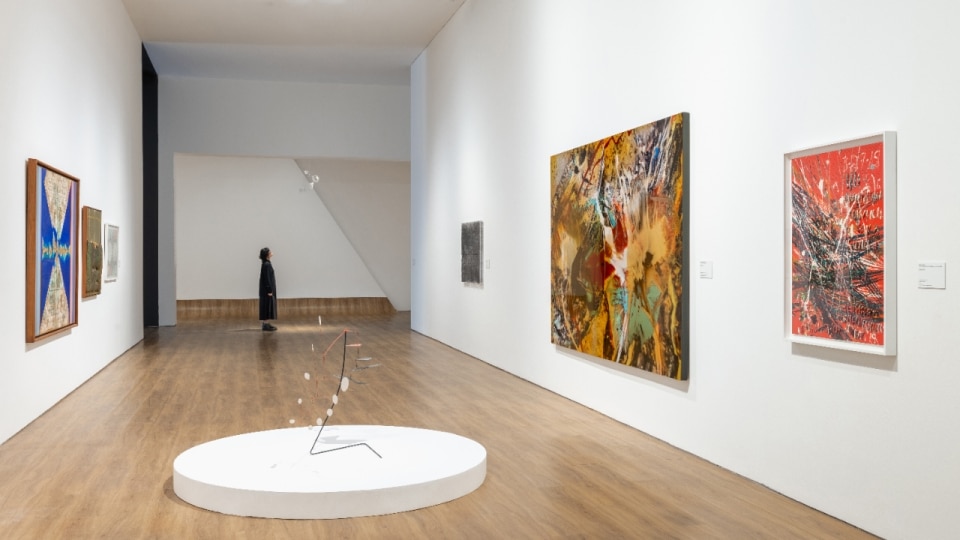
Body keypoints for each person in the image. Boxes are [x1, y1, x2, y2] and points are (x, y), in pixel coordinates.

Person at [259, 247, 277, 331]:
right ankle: (265, 325)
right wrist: (269, 290)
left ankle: (266, 323)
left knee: (267, 305)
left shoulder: (266, 263)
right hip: (266, 290)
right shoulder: (266, 264)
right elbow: (267, 278)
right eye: (270, 252)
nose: (271, 252)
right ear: (267, 255)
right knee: (266, 306)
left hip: (266, 289)